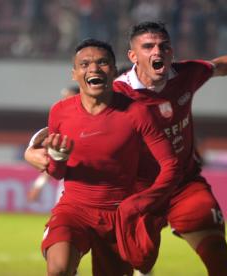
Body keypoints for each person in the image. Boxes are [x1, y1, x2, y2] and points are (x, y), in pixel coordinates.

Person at [25, 21, 227, 276]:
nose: (157, 53)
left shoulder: (185, 75)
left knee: (218, 255)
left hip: (182, 185)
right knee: (137, 261)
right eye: (149, 47)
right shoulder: (118, 92)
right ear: (132, 56)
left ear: (172, 52)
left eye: (164, 47)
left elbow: (225, 65)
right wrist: (32, 149)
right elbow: (73, 122)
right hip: (136, 193)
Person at [37, 38, 180, 276]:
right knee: (58, 270)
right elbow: (56, 173)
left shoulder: (137, 113)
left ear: (114, 71)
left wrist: (142, 203)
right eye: (85, 64)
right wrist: (58, 159)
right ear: (75, 74)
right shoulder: (60, 112)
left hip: (119, 217)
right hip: (74, 210)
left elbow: (171, 165)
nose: (93, 69)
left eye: (102, 63)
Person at [27, 86, 80, 203]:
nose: (65, 101)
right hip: (69, 186)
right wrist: (39, 185)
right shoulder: (61, 124)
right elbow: (53, 160)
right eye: (64, 97)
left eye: (68, 97)